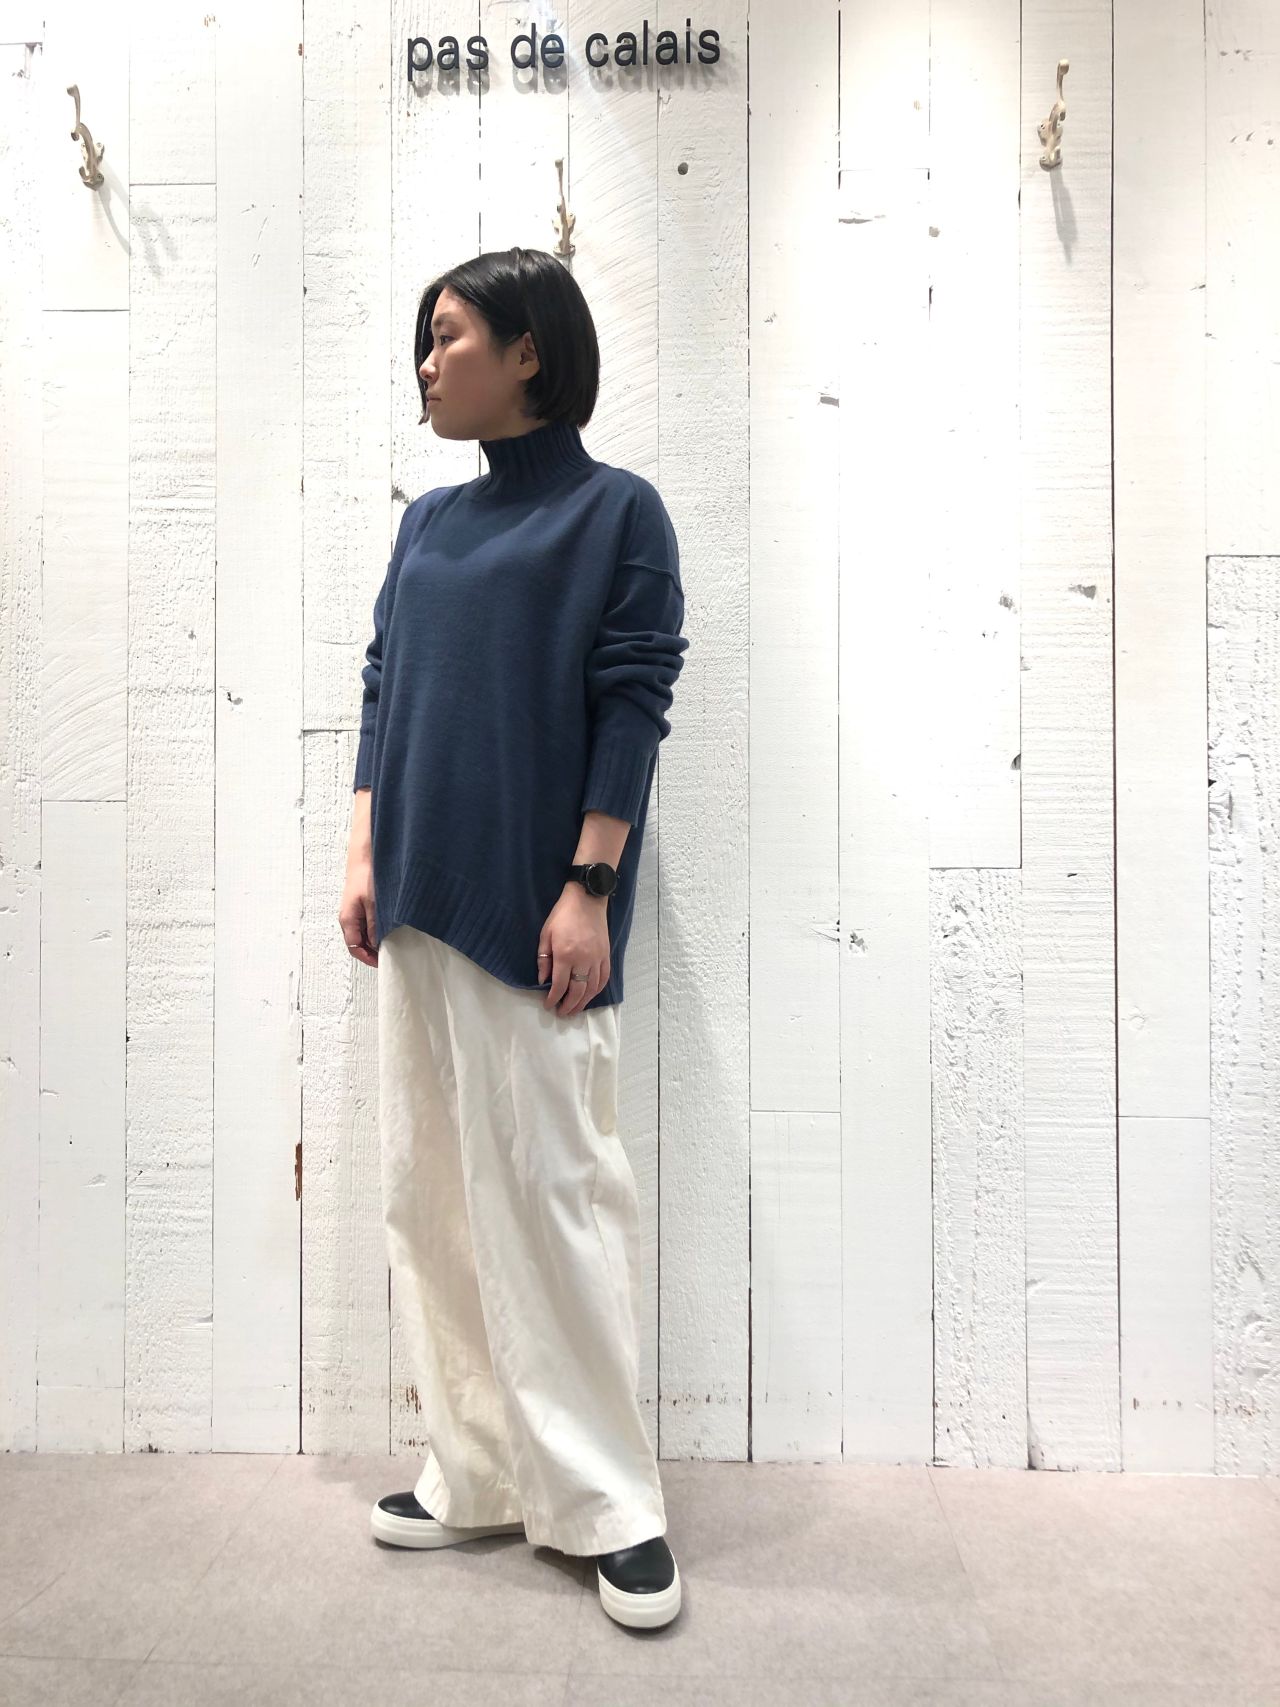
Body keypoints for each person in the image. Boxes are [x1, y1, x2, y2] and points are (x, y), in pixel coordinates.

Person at [337, 247, 689, 1632]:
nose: (426, 365)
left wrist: (590, 885)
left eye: (449, 337)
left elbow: (632, 701)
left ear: (530, 351)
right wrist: (364, 854)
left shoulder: (617, 513)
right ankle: (476, 1469)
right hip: (418, 903)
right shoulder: (428, 524)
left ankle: (612, 1505)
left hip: (537, 918)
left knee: (555, 1200)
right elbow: (385, 686)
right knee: (429, 1201)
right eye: (423, 343)